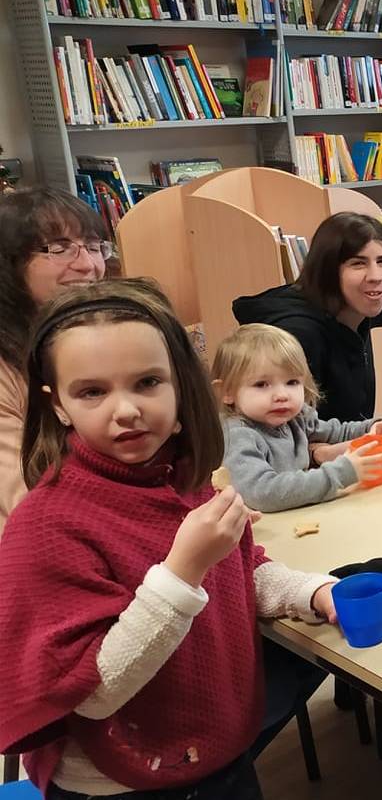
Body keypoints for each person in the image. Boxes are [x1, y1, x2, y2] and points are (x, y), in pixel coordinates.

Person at [0, 278, 339, 798]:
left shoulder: (182, 479)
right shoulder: (46, 526)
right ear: (59, 406)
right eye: (92, 391)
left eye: (148, 382)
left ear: (180, 385)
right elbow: (92, 692)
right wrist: (184, 569)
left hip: (215, 757)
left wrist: (311, 592)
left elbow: (244, 569)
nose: (127, 410)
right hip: (116, 782)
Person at [232, 212, 382, 424]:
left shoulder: (358, 301)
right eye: (358, 263)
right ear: (328, 270)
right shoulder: (299, 335)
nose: (376, 276)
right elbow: (280, 433)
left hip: (350, 449)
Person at [0, 187, 111, 529]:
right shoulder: (8, 366)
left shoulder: (99, 335)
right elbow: (22, 500)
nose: (88, 265)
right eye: (59, 249)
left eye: (94, 247)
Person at [214, 324, 382, 513]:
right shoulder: (238, 436)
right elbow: (264, 493)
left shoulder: (296, 417)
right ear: (227, 392)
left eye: (292, 382)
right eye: (262, 384)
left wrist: (372, 427)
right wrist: (340, 473)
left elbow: (335, 432)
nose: (282, 395)